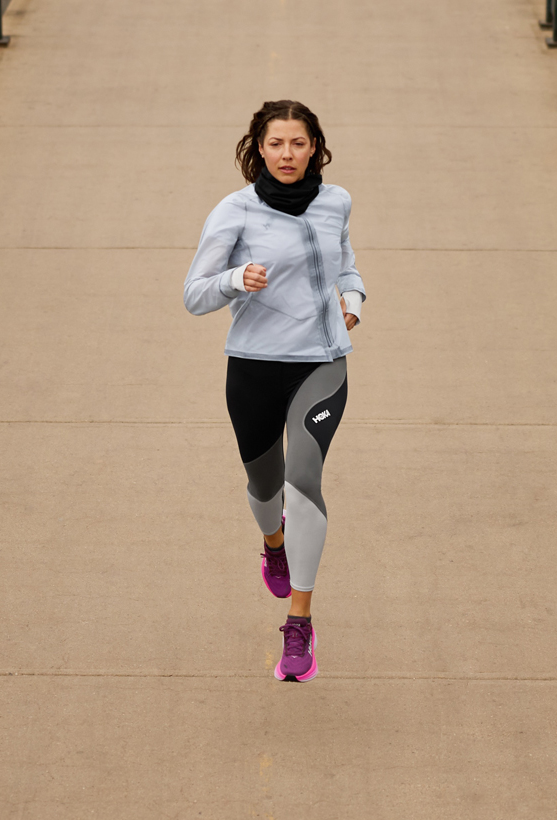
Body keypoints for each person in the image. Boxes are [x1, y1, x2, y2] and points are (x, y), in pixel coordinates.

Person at [182, 100, 367, 682]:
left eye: (298, 143)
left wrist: (353, 299)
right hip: (254, 366)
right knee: (265, 487)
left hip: (321, 364)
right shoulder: (235, 211)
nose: (287, 154)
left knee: (303, 480)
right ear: (258, 149)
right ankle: (274, 541)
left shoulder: (336, 202)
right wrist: (236, 279)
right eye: (276, 144)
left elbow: (345, 266)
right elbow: (194, 294)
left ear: (315, 148)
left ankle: (299, 623)